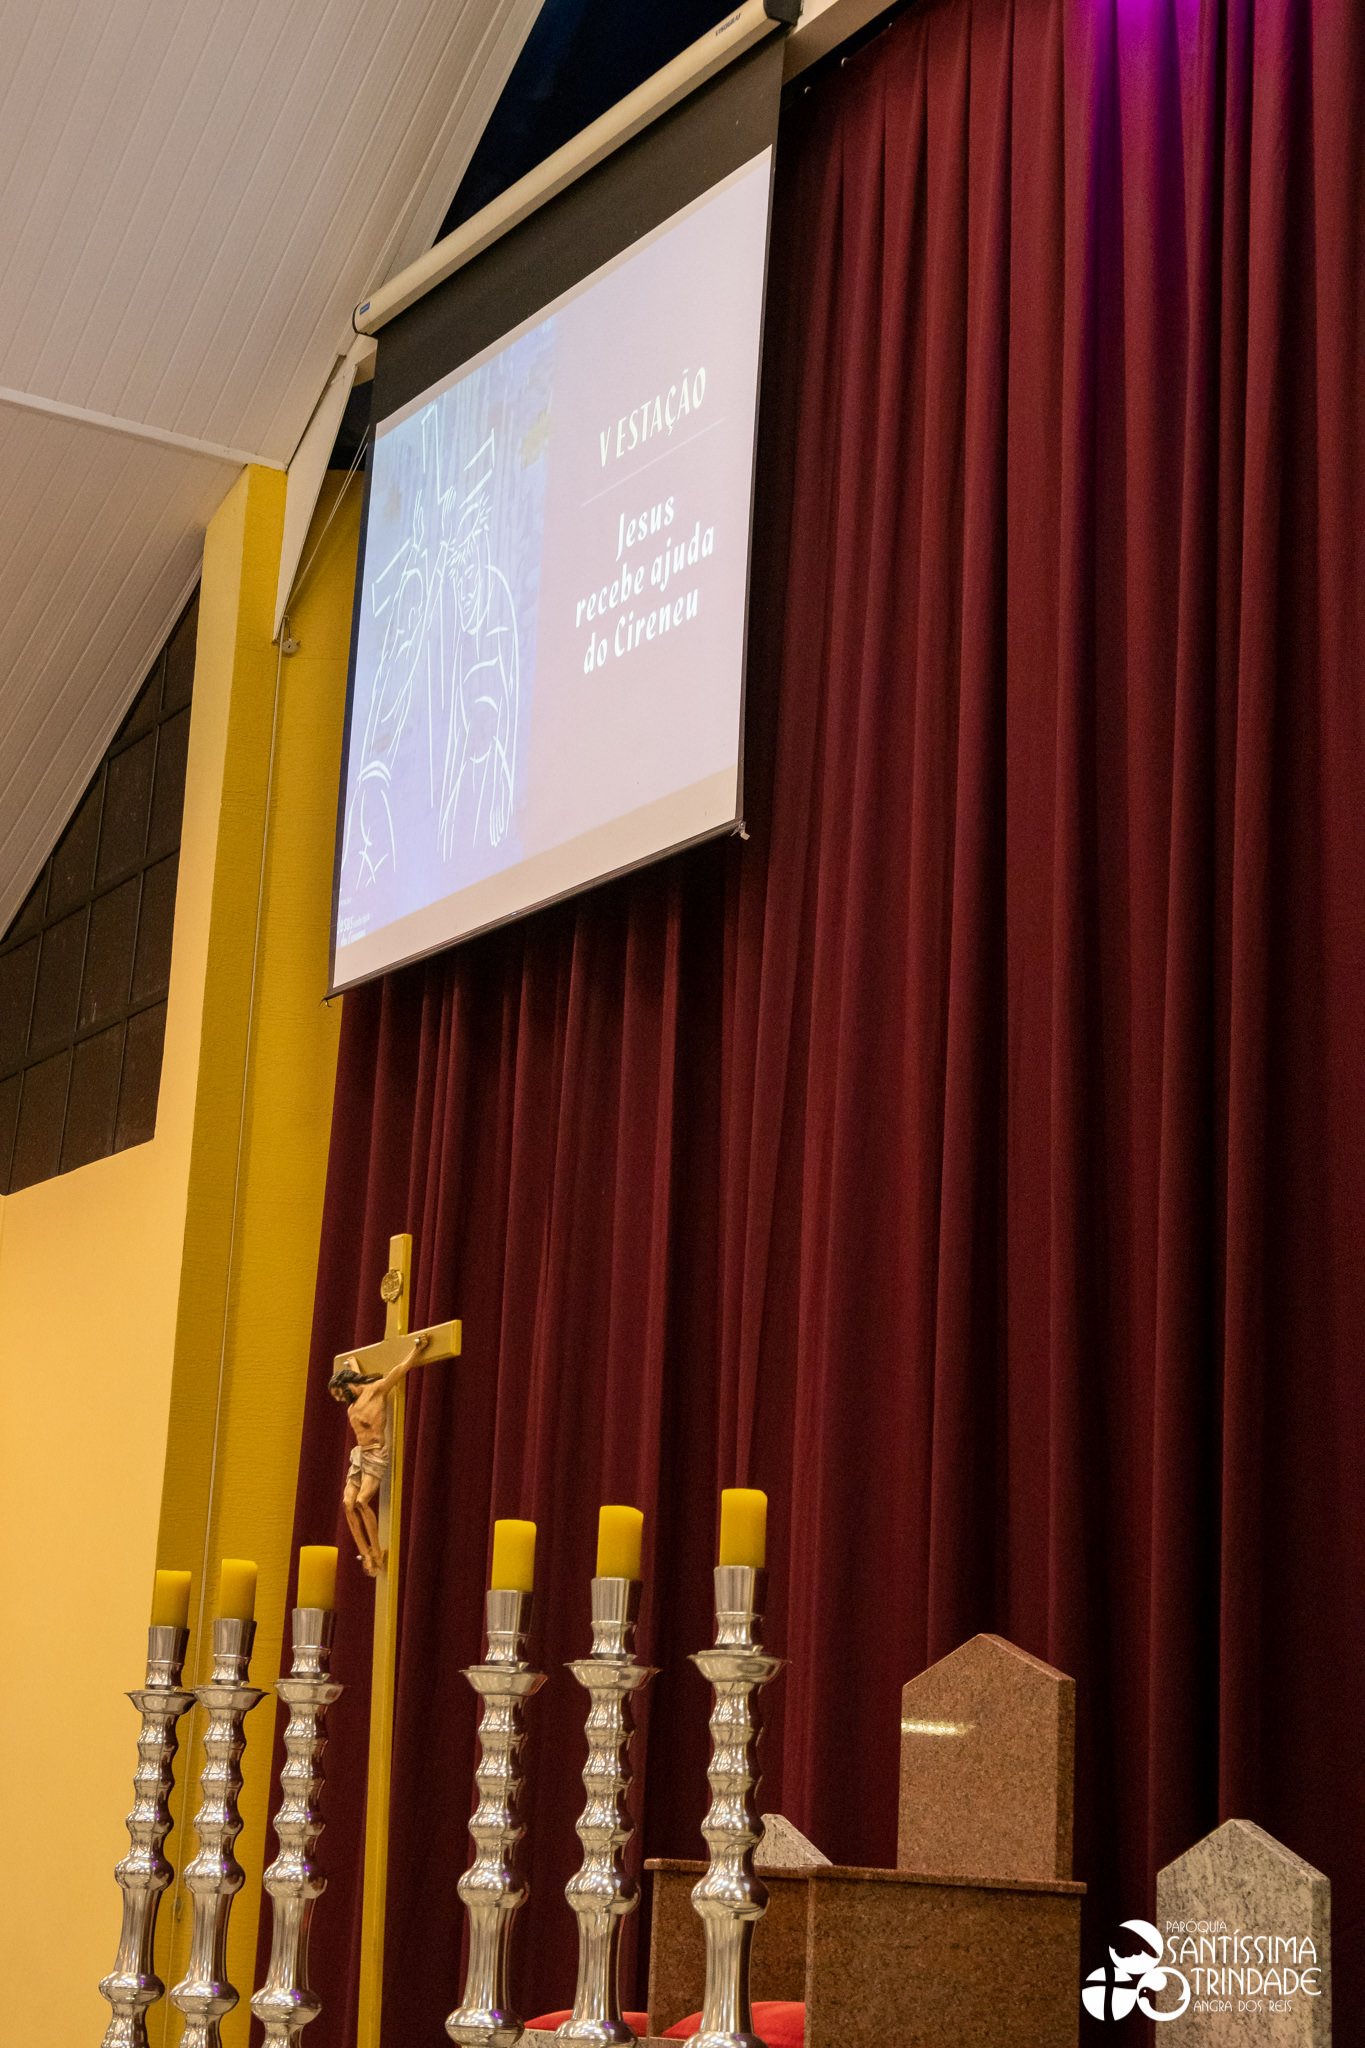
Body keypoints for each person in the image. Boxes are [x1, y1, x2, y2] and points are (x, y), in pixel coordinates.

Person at [328, 1332, 428, 1575]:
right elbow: (357, 1374)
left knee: (362, 1501)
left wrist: (417, 1350)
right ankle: (365, 1553)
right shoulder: (352, 1406)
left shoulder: (376, 1390)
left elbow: (399, 1370)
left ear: (348, 1384)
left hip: (375, 1454)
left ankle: (376, 1549)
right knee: (348, 1503)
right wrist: (353, 1363)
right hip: (359, 1455)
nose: (340, 1398)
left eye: (340, 1393)